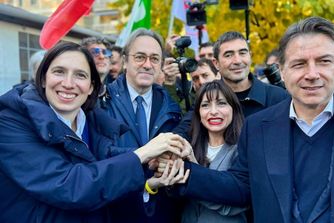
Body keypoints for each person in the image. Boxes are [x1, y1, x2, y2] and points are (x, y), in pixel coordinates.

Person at [0, 42, 186, 223]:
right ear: (42, 78)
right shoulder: (12, 123)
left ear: (91, 87)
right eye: (59, 72)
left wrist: (150, 163)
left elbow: (105, 156)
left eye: (80, 75)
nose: (68, 83)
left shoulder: (91, 122)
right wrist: (141, 155)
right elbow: (69, 186)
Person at [172, 16, 334, 222]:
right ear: (282, 71)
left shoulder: (272, 97)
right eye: (299, 64)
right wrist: (182, 171)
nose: (312, 74)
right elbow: (241, 186)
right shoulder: (257, 127)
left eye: (324, 61)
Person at [104, 28, 184, 222]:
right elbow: (100, 155)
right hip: (116, 210)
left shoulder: (173, 108)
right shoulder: (101, 103)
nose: (147, 65)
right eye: (140, 57)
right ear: (125, 61)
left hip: (162, 212)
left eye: (155, 59)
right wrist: (147, 156)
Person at [180, 80, 247, 223]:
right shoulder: (189, 146)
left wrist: (192, 167)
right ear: (198, 112)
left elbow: (232, 205)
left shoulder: (243, 150)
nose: (213, 111)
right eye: (205, 105)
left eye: (221, 103)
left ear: (233, 109)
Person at [213, 31, 288, 117]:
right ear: (216, 63)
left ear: (250, 56)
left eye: (242, 53)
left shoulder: (278, 98)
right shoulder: (207, 102)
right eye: (228, 55)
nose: (237, 61)